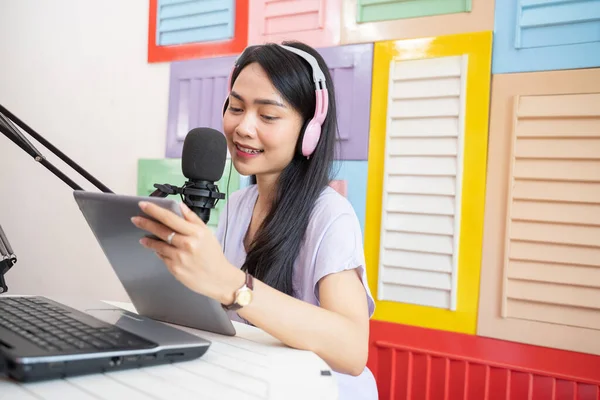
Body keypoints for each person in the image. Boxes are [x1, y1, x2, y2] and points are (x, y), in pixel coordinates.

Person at [131, 41, 378, 400]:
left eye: (268, 116)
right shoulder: (238, 205)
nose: (243, 127)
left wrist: (233, 285)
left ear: (310, 131)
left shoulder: (330, 216)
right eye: (235, 107)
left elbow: (353, 351)